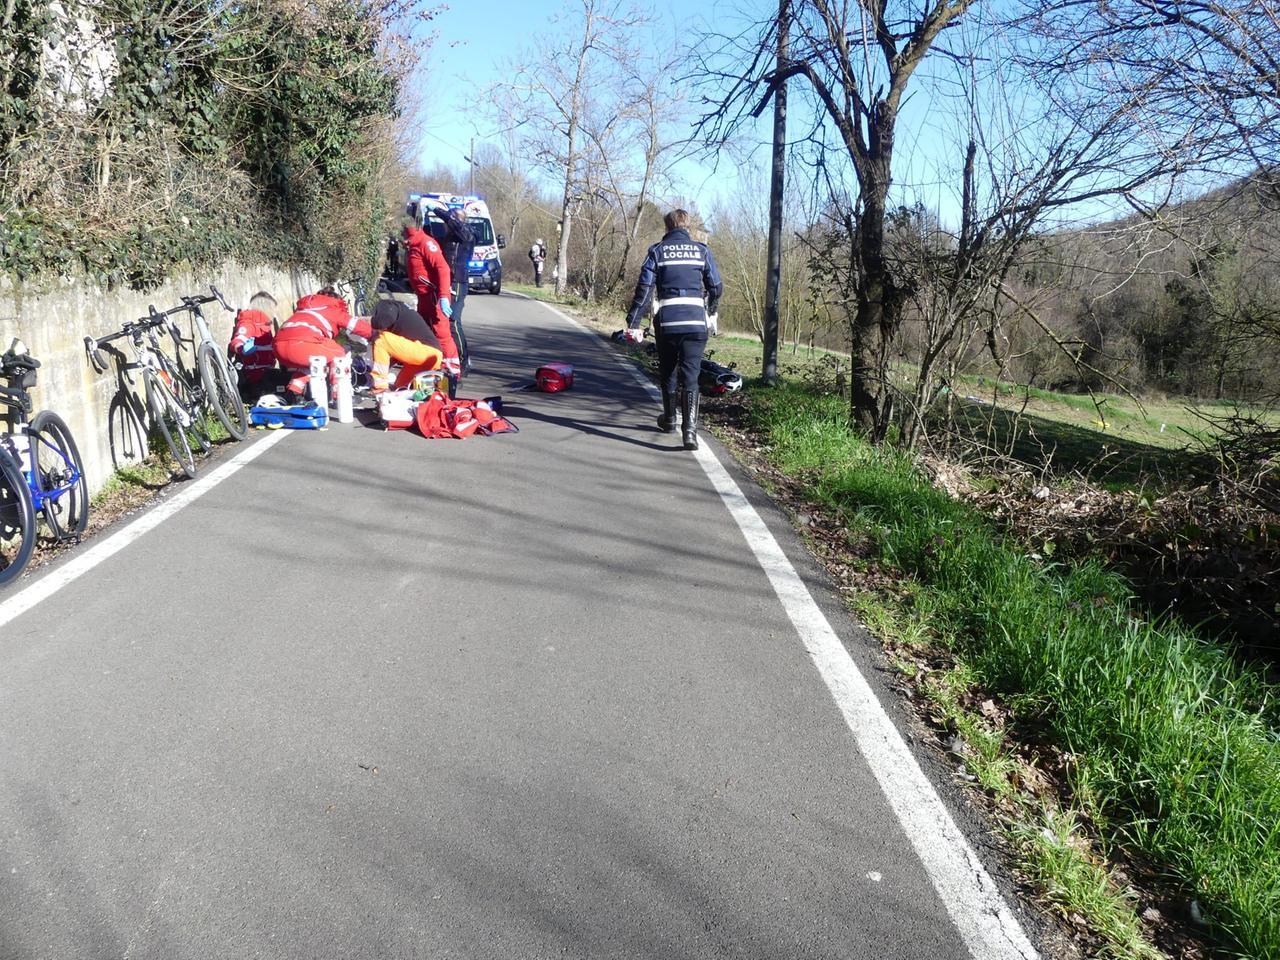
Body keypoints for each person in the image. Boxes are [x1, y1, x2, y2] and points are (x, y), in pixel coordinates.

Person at [622, 209, 723, 451]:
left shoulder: (657, 251)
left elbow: (644, 290)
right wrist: (711, 310)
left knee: (668, 370)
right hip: (696, 324)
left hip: (668, 323)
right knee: (691, 376)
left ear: (667, 227)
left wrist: (633, 322)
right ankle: (689, 432)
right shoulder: (702, 251)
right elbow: (717, 287)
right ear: (688, 227)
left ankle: (669, 419)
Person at [273, 288, 372, 401]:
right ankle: (340, 396)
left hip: (278, 348)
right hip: (302, 344)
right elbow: (356, 325)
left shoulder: (303, 309)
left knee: (315, 362)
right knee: (339, 353)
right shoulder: (331, 307)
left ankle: (293, 392)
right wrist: (375, 334)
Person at [401, 215, 461, 380]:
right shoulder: (414, 244)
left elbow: (443, 269)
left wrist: (443, 297)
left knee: (441, 333)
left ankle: (453, 370)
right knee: (423, 332)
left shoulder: (425, 243)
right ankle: (431, 365)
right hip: (424, 297)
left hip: (434, 296)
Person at [421, 199, 475, 373]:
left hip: (458, 281)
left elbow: (459, 229)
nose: (446, 224)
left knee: (453, 320)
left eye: (450, 220)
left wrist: (438, 210)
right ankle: (441, 355)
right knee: (438, 320)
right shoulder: (450, 237)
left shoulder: (468, 233)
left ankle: (462, 358)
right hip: (445, 281)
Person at [362, 297, 445, 392]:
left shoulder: (387, 305)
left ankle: (379, 387)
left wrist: (368, 322)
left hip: (425, 351)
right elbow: (393, 355)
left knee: (381, 339)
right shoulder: (401, 314)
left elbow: (384, 320)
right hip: (431, 355)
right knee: (400, 390)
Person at [228, 291, 280, 399]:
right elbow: (238, 340)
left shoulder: (265, 325)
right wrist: (242, 349)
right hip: (254, 379)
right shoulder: (250, 322)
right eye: (272, 309)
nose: (274, 314)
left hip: (265, 374)